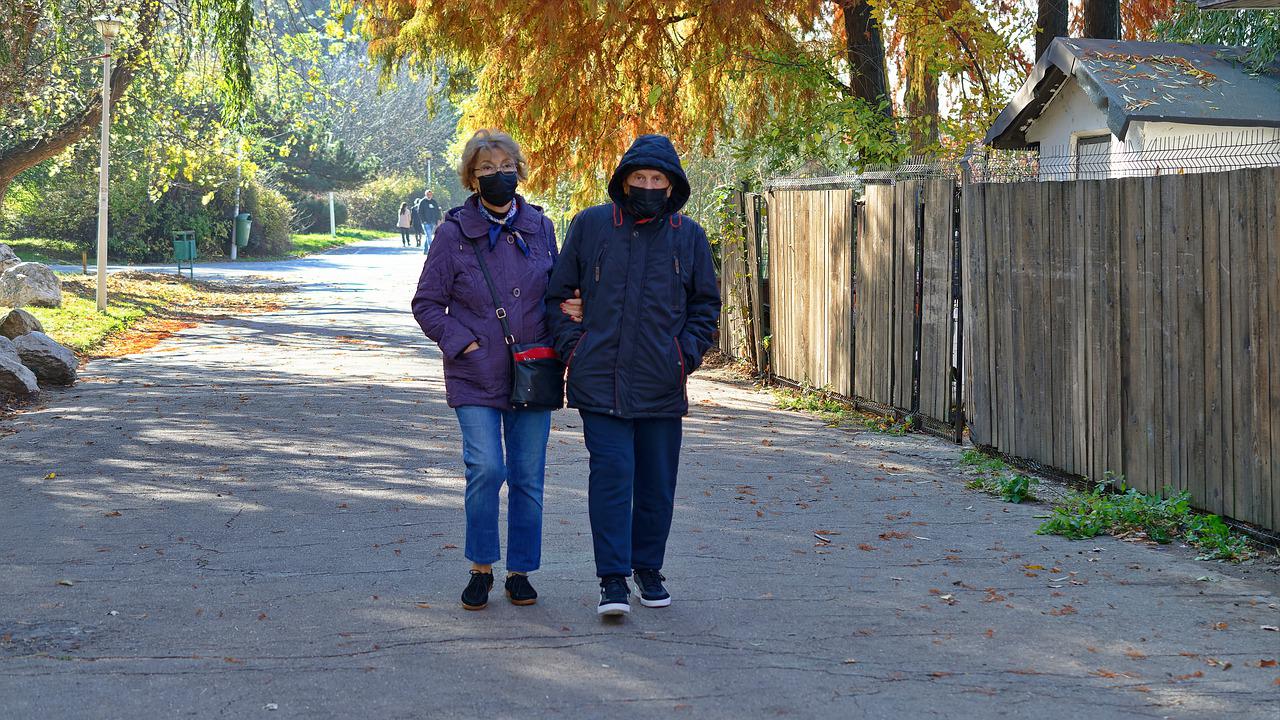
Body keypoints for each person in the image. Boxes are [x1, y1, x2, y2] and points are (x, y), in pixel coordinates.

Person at [545, 134, 720, 618]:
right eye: (638, 177)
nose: (646, 185)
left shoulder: (689, 236)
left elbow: (706, 306)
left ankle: (648, 569)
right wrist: (574, 349)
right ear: (623, 181)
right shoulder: (592, 225)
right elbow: (558, 297)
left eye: (656, 179)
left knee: (656, 484)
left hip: (662, 383)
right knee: (612, 478)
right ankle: (612, 579)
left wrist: (684, 356)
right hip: (599, 380)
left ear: (671, 186)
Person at [412, 129, 577, 611]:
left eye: (506, 167)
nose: (498, 176)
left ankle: (520, 571)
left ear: (519, 171)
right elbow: (426, 303)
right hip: (475, 374)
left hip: (534, 370)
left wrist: (570, 320)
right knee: (486, 468)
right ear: (472, 177)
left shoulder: (541, 228)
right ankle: (481, 568)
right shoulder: (452, 233)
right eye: (487, 169)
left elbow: (557, 293)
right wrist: (462, 344)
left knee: (528, 476)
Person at [418, 190, 443, 254]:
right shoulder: (422, 202)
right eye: (428, 194)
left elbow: (437, 211)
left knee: (428, 236)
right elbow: (420, 212)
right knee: (429, 235)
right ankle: (432, 250)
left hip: (433, 221)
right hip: (426, 222)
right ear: (425, 195)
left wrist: (439, 219)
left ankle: (425, 250)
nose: (429, 196)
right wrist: (423, 221)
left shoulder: (434, 202)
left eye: (430, 194)